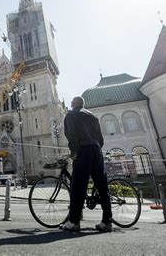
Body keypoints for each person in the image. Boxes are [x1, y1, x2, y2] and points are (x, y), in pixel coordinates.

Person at [61, 96, 112, 232]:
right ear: (83, 104)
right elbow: (101, 139)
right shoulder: (93, 116)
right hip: (96, 150)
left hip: (83, 151)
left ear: (73, 104)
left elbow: (72, 137)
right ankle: (107, 222)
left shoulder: (71, 115)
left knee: (77, 187)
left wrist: (74, 153)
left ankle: (74, 222)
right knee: (102, 188)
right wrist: (96, 149)